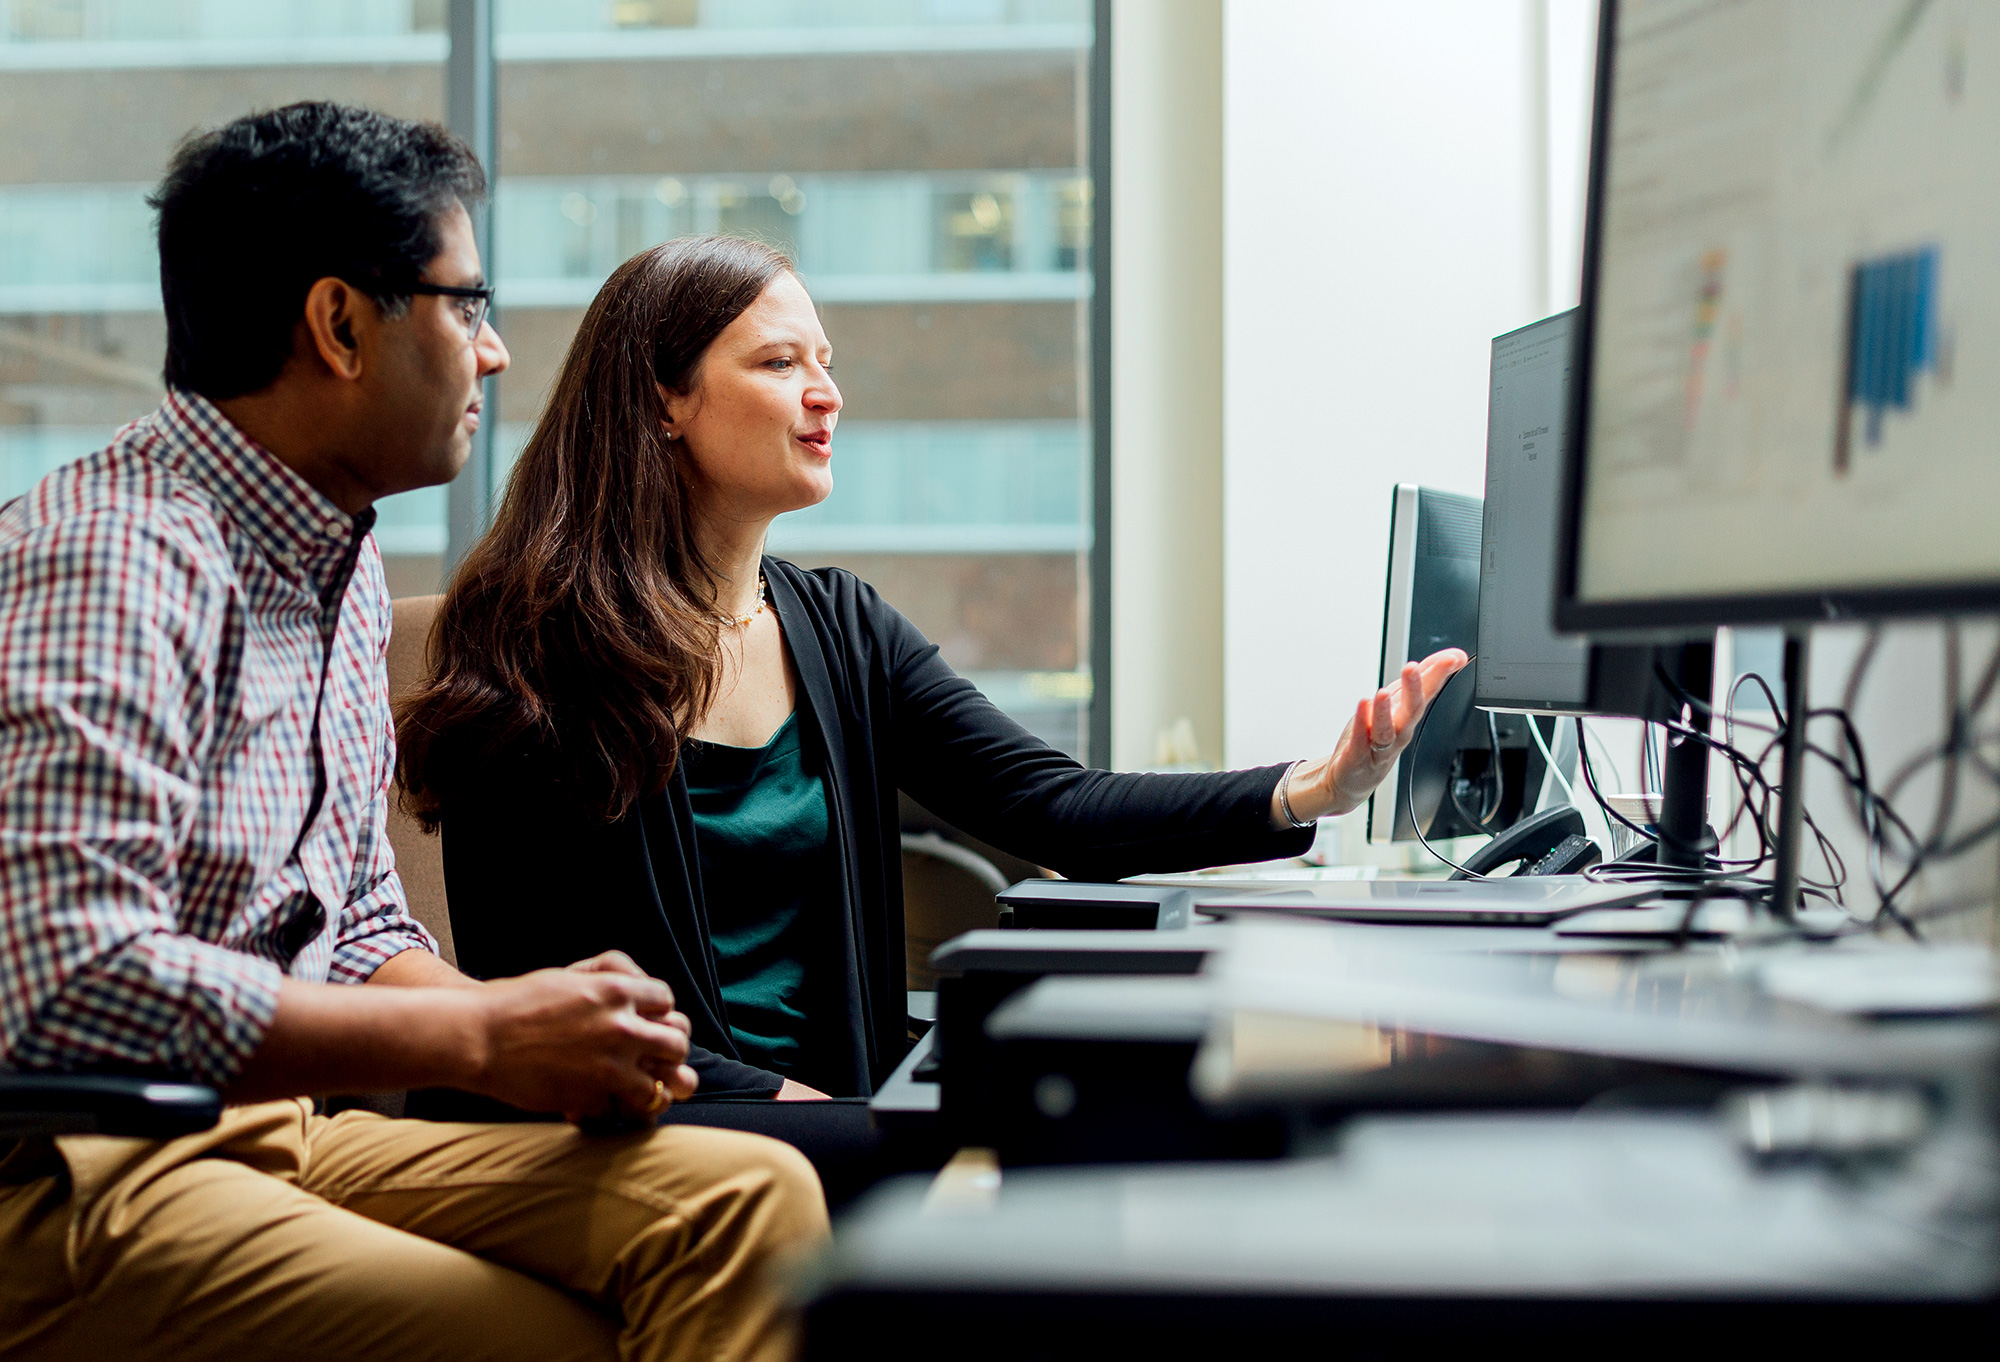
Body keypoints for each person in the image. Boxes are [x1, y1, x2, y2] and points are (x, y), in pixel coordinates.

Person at [0, 105, 824, 1362]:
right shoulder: (116, 556)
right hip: (76, 1170)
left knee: (748, 1198)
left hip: (274, 1131)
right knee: (562, 1331)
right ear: (338, 324)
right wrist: (480, 1036)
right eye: (463, 304)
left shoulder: (336, 560)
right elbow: (70, 982)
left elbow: (360, 927)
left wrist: (546, 1040)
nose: (492, 355)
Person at [396, 234, 1465, 1125]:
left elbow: (1051, 804)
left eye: (825, 360)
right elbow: (547, 1008)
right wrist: (832, 1120)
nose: (827, 395)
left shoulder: (840, 628)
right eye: (777, 365)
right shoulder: (537, 649)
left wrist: (1310, 791)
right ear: (663, 400)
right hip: (655, 1123)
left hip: (831, 1113)